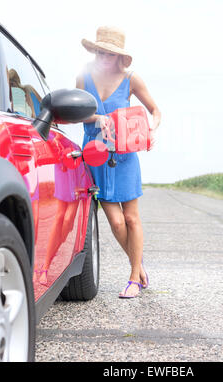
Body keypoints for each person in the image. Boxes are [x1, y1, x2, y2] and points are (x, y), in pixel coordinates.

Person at [76, 26, 161, 298]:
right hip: (96, 157)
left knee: (131, 219)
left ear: (119, 57)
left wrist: (150, 129)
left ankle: (134, 277)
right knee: (115, 221)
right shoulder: (83, 77)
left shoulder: (131, 80)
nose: (103, 56)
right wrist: (95, 118)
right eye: (100, 51)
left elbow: (155, 111)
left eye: (109, 53)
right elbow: (78, 113)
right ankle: (139, 264)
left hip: (124, 157)